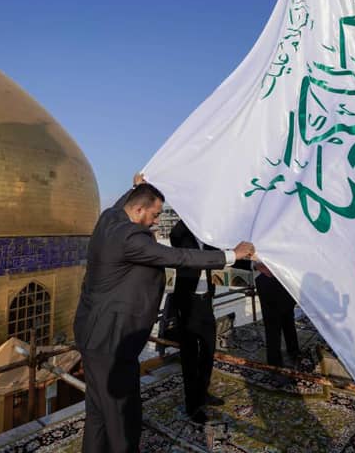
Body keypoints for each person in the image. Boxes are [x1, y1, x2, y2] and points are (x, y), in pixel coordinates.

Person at [73, 174, 254, 453]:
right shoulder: (130, 236)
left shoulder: (109, 219)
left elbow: (126, 204)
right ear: (139, 210)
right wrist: (232, 255)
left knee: (98, 410)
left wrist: (135, 187)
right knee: (123, 416)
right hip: (112, 338)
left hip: (93, 332)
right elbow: (179, 257)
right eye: (155, 215)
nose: (157, 221)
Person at [169, 220, 225, 424]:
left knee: (209, 350)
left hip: (205, 302)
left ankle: (203, 392)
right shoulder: (182, 236)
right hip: (188, 303)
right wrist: (188, 213)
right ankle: (192, 405)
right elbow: (175, 234)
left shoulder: (208, 239)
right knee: (190, 357)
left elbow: (220, 256)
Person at [255, 266, 299, 368]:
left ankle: (293, 352)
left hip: (286, 280)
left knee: (288, 319)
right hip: (269, 281)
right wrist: (256, 265)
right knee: (273, 326)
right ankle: (275, 363)